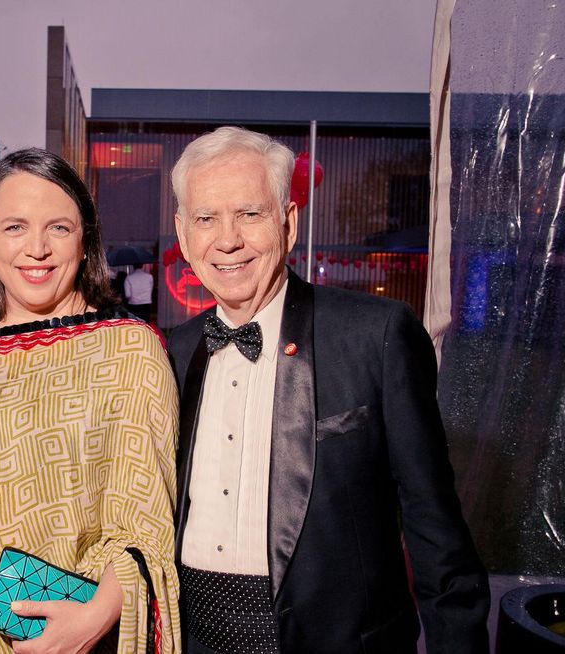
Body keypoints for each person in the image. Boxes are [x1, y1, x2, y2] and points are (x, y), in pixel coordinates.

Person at [166, 127, 489, 654]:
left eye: (250, 214)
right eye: (206, 218)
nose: (227, 239)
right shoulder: (173, 353)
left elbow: (437, 533)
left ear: (289, 223)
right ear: (184, 234)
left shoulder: (376, 335)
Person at [0, 148, 180, 652]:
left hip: (52, 633)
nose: (36, 248)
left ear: (85, 242)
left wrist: (91, 622)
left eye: (58, 227)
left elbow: (146, 526)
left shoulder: (126, 345)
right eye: (15, 227)